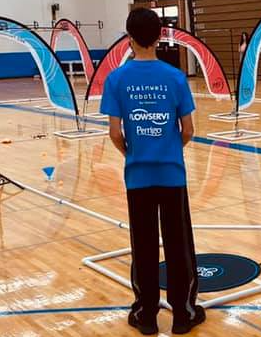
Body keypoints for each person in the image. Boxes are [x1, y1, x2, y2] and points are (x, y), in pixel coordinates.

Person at [100, 8, 205, 335]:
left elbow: (115, 133)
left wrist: (133, 152)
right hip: (172, 174)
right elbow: (188, 129)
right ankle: (183, 315)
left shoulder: (116, 79)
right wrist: (170, 148)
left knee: (143, 245)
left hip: (138, 176)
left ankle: (145, 315)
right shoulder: (175, 77)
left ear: (128, 39)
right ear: (160, 36)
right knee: (178, 245)